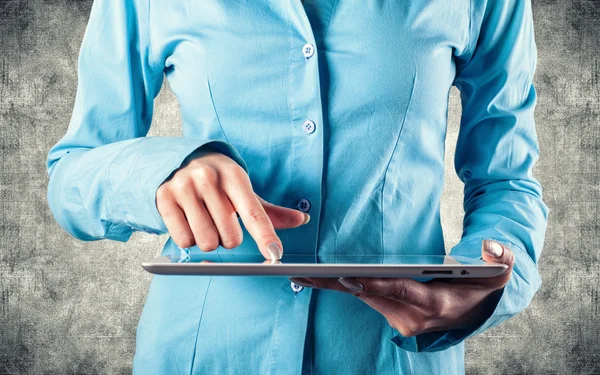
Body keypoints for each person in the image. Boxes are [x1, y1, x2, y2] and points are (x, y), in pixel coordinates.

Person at [45, 0, 548, 373]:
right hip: (201, 354)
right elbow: (73, 170)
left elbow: (506, 178)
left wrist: (483, 287)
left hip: (390, 356)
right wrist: (163, 171)